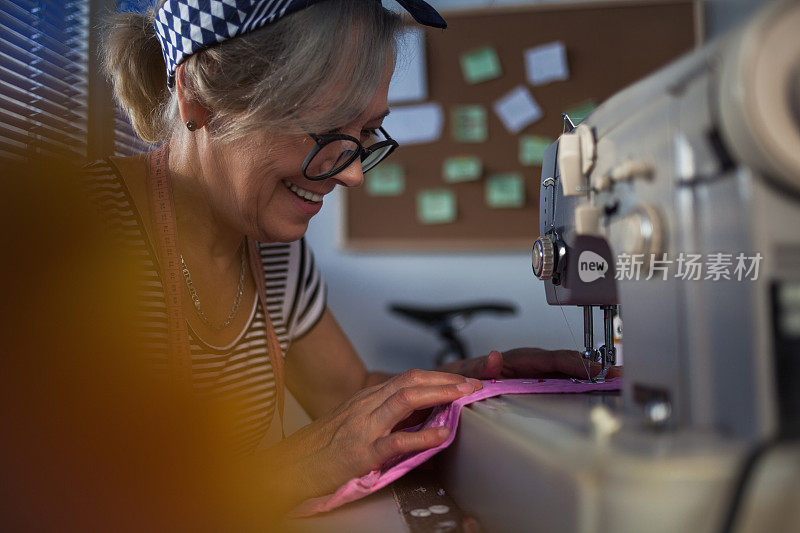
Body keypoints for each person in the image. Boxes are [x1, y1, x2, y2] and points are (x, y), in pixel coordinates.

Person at [95, 0, 616, 521]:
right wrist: (291, 467)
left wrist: (468, 389)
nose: (354, 175)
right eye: (325, 128)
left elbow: (348, 397)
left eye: (366, 134)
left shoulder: (275, 259)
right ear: (198, 98)